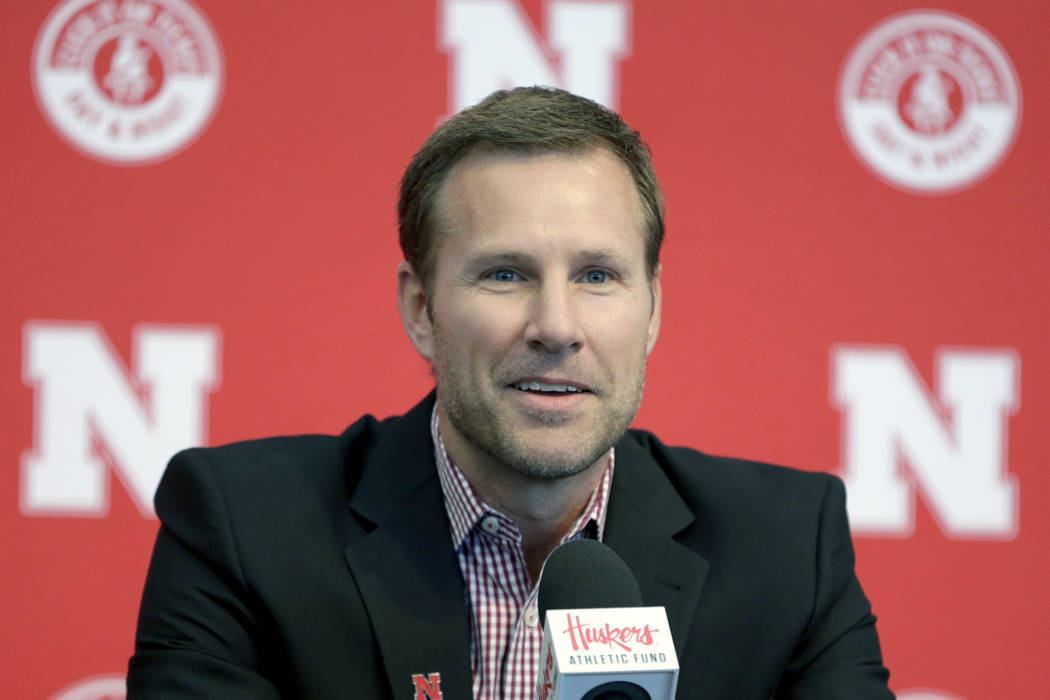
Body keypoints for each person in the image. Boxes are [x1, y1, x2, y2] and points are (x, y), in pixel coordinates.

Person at [128, 87, 894, 699]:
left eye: (597, 275)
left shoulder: (788, 549)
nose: (556, 326)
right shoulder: (242, 529)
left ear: (653, 308)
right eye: (505, 274)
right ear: (422, 310)